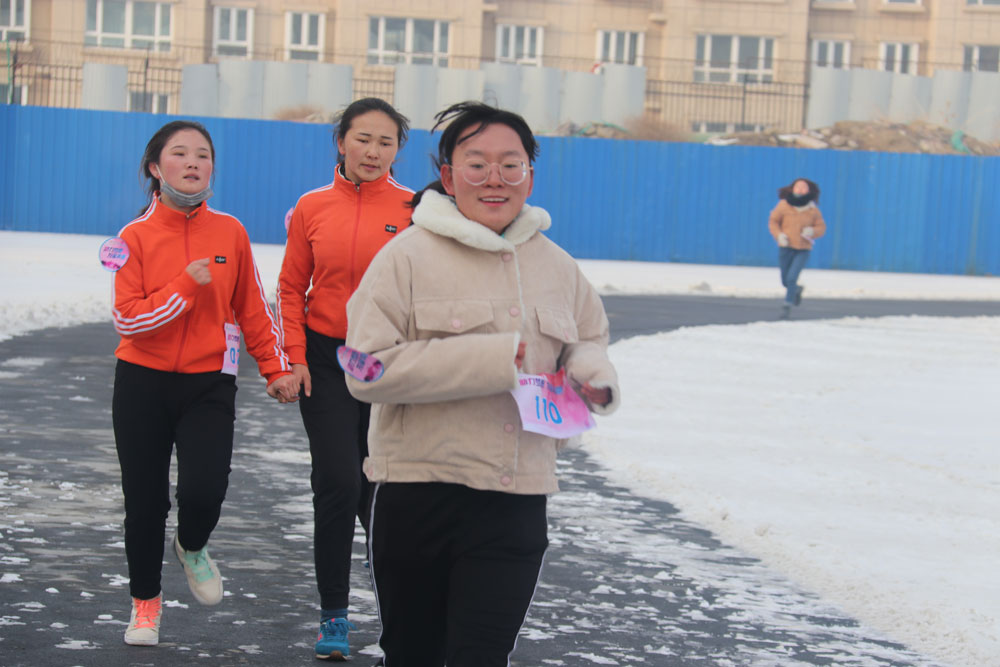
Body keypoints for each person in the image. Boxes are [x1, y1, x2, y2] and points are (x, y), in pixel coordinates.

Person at [343, 101, 621, 666]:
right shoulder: (406, 258)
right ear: (448, 176)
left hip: (516, 499)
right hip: (419, 493)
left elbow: (589, 340)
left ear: (530, 176)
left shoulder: (559, 266)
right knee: (414, 654)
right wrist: (492, 358)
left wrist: (594, 378)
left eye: (510, 165)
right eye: (476, 164)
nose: (494, 179)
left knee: (482, 656)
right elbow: (363, 368)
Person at [110, 120, 298, 646]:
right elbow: (128, 319)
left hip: (209, 383)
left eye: (203, 155)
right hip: (142, 382)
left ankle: (191, 545)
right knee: (144, 501)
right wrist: (183, 289)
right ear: (155, 167)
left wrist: (276, 366)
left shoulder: (230, 232)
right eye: (179, 154)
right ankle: (145, 604)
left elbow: (253, 310)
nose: (193, 163)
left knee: (206, 487)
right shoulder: (134, 237)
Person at [275, 97, 413, 660]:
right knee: (337, 481)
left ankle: (398, 612)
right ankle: (334, 615)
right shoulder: (312, 206)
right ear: (341, 141)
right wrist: (294, 356)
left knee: (381, 491)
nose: (373, 151)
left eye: (385, 141)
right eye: (363, 139)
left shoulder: (416, 209)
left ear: (397, 149)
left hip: (389, 363)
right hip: (327, 357)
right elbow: (289, 287)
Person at [768, 177, 826, 317]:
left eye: (804, 187)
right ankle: (797, 290)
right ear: (792, 188)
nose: (800, 189)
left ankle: (787, 305)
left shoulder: (812, 209)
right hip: (786, 246)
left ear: (809, 190)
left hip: (803, 248)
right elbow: (773, 222)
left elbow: (821, 227)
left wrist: (812, 231)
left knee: (792, 277)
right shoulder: (783, 205)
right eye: (798, 186)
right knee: (785, 279)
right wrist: (779, 235)